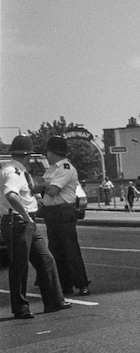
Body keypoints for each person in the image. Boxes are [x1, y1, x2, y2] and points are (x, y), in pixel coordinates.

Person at [2, 135, 70, 319]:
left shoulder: (19, 170)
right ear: (27, 154)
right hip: (18, 222)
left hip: (25, 222)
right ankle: (20, 308)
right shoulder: (12, 172)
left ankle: (54, 301)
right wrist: (26, 216)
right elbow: (11, 195)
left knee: (46, 259)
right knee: (20, 266)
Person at [41, 136, 90, 295]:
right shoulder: (51, 169)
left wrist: (43, 186)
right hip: (52, 213)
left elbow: (52, 190)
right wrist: (44, 186)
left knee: (70, 249)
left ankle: (82, 284)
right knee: (56, 250)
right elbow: (44, 188)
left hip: (63, 212)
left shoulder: (65, 168)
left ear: (52, 152)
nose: (47, 155)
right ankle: (65, 285)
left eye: (48, 152)